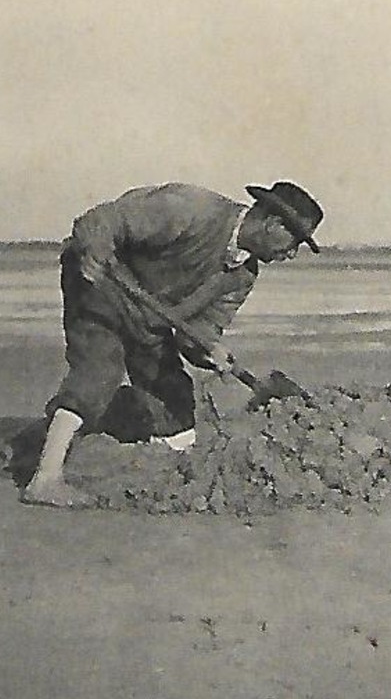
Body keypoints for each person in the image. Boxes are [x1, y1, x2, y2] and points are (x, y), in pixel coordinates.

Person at [21, 180, 324, 507]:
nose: (291, 254)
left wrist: (209, 351)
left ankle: (90, 432)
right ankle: (45, 479)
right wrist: (95, 251)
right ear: (273, 224)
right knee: (100, 368)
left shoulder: (242, 276)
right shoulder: (192, 209)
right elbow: (99, 221)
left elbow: (197, 333)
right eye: (294, 243)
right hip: (103, 284)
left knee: (175, 407)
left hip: (149, 317)